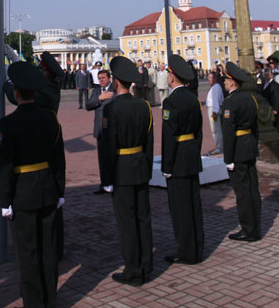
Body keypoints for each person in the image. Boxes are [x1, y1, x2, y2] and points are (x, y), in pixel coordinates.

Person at [0, 61, 65, 308]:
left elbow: (5, 167)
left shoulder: (8, 123)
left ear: (16, 93)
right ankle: (49, 303)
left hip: (22, 193)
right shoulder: (50, 119)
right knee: (48, 250)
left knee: (27, 252)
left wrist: (5, 201)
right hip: (48, 189)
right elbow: (59, 159)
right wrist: (60, 190)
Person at [101, 56, 153, 286]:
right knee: (143, 218)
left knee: (127, 222)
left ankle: (133, 269)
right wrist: (147, 169)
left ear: (115, 81)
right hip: (140, 167)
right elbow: (149, 143)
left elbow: (108, 146)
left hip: (121, 169)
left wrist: (107, 178)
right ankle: (146, 265)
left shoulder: (111, 109)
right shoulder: (144, 106)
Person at [161, 55, 204, 265]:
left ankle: (185, 250)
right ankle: (197, 247)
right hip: (191, 156)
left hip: (177, 159)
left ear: (172, 77)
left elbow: (169, 137)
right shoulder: (193, 99)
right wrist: (194, 152)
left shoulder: (171, 102)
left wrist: (167, 165)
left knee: (180, 207)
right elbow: (199, 132)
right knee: (194, 204)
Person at [221, 62, 261, 242]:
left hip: (238, 149)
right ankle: (255, 226)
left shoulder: (230, 102)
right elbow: (255, 127)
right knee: (253, 189)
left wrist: (228, 158)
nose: (224, 82)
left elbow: (228, 133)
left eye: (226, 80)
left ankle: (248, 229)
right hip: (249, 146)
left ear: (232, 82)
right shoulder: (251, 98)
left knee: (243, 192)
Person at [86, 69, 115, 194]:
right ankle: (104, 184)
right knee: (102, 159)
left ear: (109, 78)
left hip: (112, 129)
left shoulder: (114, 89)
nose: (101, 80)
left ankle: (114, 183)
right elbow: (88, 105)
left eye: (103, 78)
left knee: (112, 158)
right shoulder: (97, 91)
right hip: (99, 129)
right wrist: (99, 98)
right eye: (99, 78)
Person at [206, 71, 224, 155]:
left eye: (211, 78)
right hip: (213, 108)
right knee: (216, 129)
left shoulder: (215, 88)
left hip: (213, 109)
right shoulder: (215, 87)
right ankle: (219, 146)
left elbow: (215, 100)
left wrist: (215, 112)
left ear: (215, 79)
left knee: (215, 129)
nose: (210, 79)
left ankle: (219, 148)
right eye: (209, 77)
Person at [261, 67, 279, 136]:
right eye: (265, 75)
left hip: (272, 108)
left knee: (275, 124)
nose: (266, 76)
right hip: (265, 108)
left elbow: (277, 97)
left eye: (267, 75)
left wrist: (276, 109)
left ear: (272, 75)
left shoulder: (275, 85)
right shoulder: (263, 84)